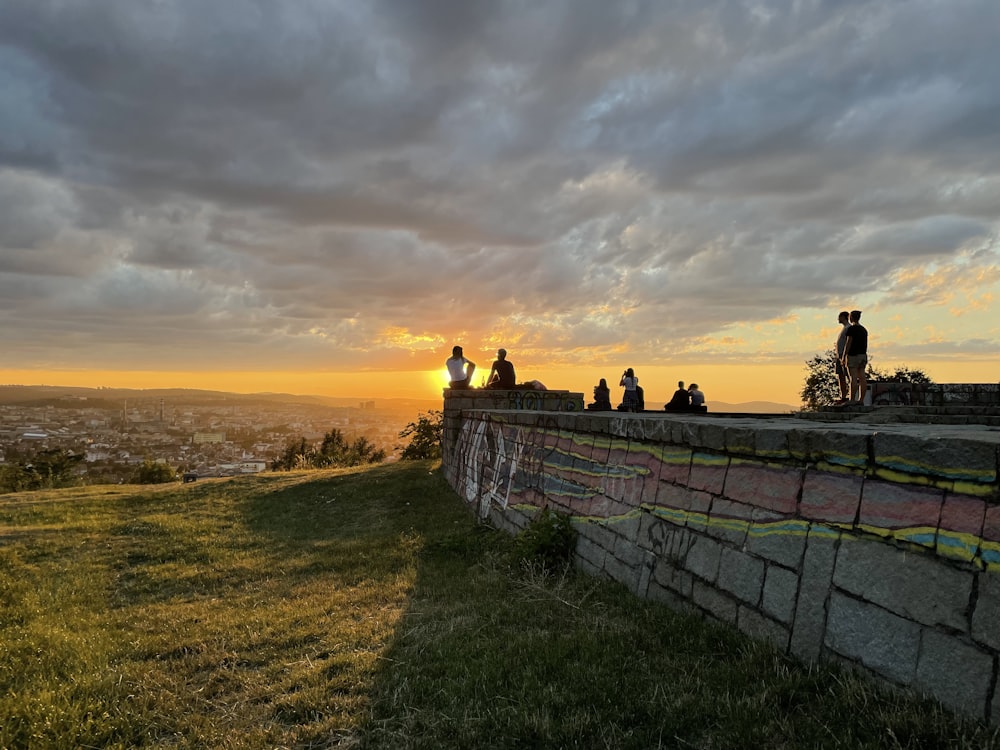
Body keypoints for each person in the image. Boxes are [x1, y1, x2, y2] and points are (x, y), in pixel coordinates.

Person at [842, 310, 868, 404]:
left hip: (853, 355)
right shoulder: (864, 329)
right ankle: (861, 399)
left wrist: (844, 355)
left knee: (853, 377)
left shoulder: (851, 329)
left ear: (851, 317)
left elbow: (848, 343)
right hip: (862, 354)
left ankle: (852, 399)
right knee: (862, 377)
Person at [833, 310, 851, 405]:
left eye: (839, 317)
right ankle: (843, 396)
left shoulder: (848, 328)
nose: (838, 319)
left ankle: (850, 396)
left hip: (844, 356)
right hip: (839, 355)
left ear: (844, 317)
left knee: (847, 376)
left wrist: (844, 355)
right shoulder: (844, 328)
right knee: (840, 376)